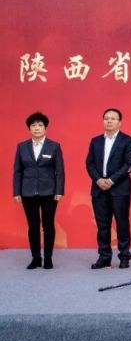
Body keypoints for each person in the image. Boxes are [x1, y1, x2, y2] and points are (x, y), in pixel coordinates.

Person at [86, 108, 131, 269]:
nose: (109, 121)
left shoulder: (127, 140)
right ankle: (104, 257)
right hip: (99, 189)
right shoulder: (95, 141)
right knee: (102, 225)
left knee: (122, 223)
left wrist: (111, 180)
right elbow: (89, 163)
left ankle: (124, 256)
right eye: (106, 118)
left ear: (119, 122)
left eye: (113, 118)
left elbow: (129, 164)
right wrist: (99, 180)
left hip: (119, 189)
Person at [13, 112, 64, 270]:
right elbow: (17, 171)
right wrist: (16, 192)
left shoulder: (54, 146)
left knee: (48, 225)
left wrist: (59, 190)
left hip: (49, 192)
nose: (37, 128)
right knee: (32, 225)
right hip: (27, 192)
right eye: (33, 125)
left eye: (40, 125)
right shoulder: (22, 147)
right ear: (29, 129)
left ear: (45, 128)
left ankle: (48, 258)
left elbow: (59, 171)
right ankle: (36, 258)